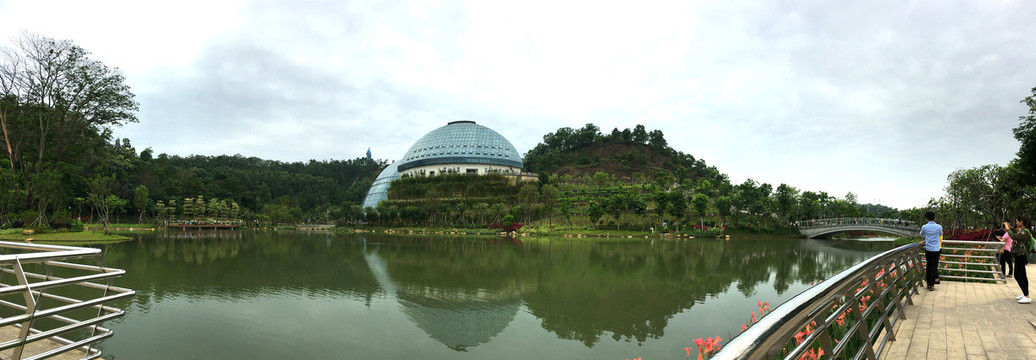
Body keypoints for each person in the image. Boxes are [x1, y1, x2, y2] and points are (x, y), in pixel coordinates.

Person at [1005, 216, 1033, 303]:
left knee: (1017, 275)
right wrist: (1010, 228)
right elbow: (1015, 232)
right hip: (1019, 255)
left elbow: (1014, 236)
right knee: (1023, 275)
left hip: (1021, 256)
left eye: (1017, 221)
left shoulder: (1025, 232)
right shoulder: (1022, 231)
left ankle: (1027, 296)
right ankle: (1025, 294)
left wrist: (1007, 229)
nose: (1016, 223)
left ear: (1021, 222)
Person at [920, 211, 942, 291]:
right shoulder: (939, 227)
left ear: (926, 218)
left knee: (928, 265)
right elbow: (940, 234)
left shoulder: (924, 227)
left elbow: (921, 235)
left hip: (928, 249)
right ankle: (932, 284)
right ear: (934, 217)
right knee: (934, 266)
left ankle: (929, 283)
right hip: (936, 249)